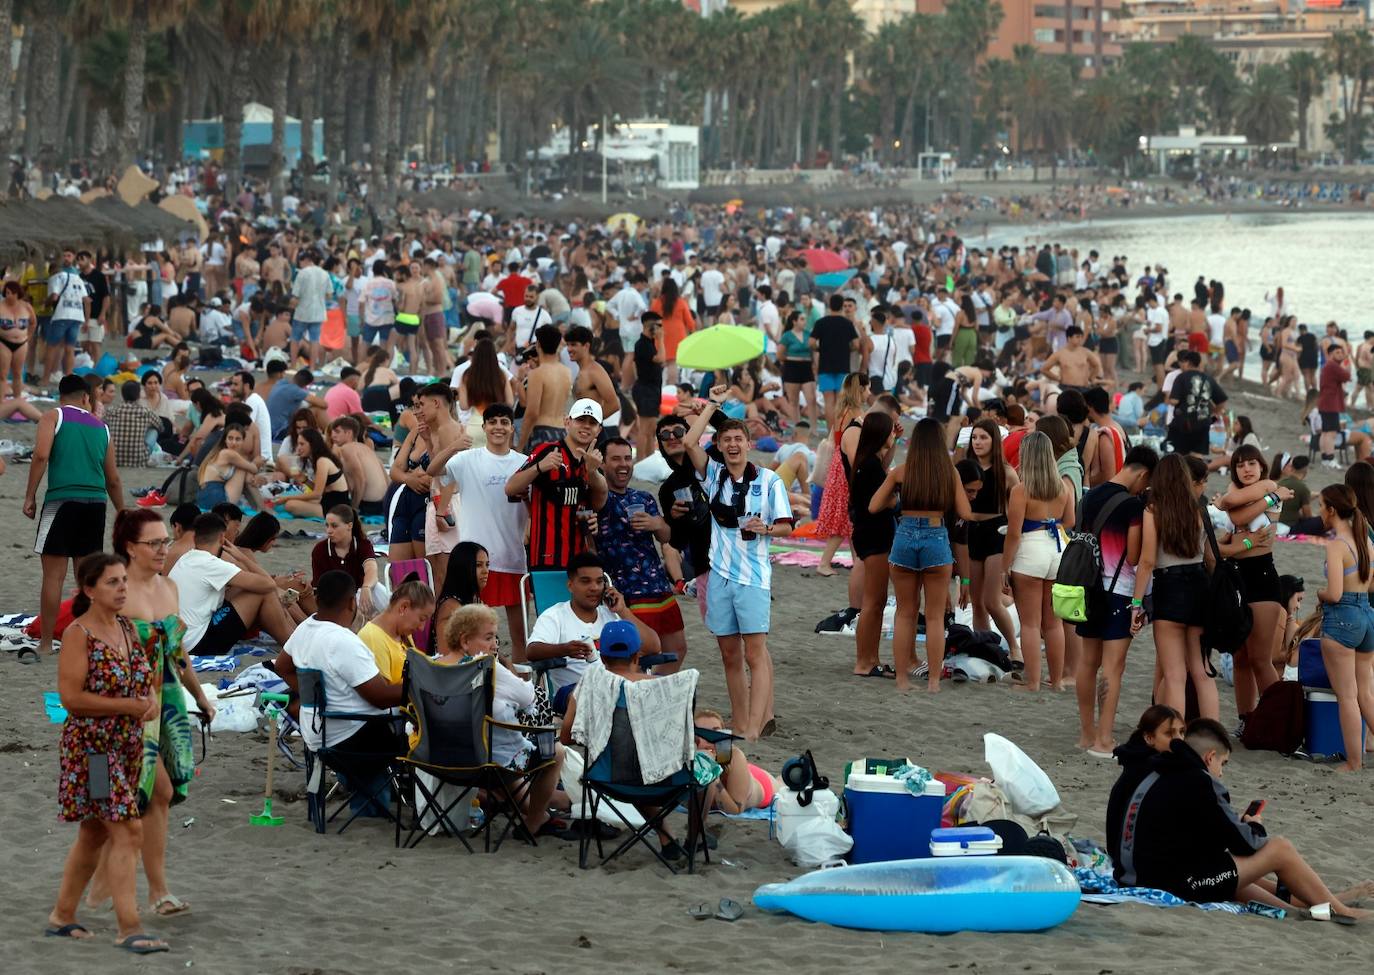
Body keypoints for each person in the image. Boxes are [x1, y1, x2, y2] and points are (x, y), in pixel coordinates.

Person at [81, 510, 215, 920]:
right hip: (125, 707)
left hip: (166, 699)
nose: (163, 550)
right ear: (128, 547)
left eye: (165, 542)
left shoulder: (169, 587)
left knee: (155, 794)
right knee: (133, 799)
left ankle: (151, 890)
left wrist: (200, 697)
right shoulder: (115, 592)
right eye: (153, 543)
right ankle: (109, 887)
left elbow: (176, 652)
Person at [1108, 718, 1370, 920]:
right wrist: (1254, 826)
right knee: (1279, 849)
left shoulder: (1152, 771)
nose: (1221, 773)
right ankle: (1341, 911)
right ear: (1210, 757)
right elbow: (1243, 845)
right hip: (1175, 884)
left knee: (1238, 873)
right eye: (1223, 763)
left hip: (1137, 875)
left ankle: (1309, 907)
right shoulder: (1200, 781)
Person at [47, 554, 167, 954]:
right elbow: (71, 698)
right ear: (89, 590)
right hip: (93, 753)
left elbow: (145, 676)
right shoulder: (79, 634)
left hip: (126, 746)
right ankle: (129, 927)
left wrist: (147, 698)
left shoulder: (128, 629)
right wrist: (128, 707)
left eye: (123, 581)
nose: (121, 588)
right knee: (127, 829)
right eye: (112, 582)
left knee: (96, 831)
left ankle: (62, 916)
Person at [682, 386, 794, 738]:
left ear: (749, 444)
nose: (732, 445)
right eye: (726, 439)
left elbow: (788, 527)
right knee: (730, 656)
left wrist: (767, 529)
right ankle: (742, 723)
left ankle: (755, 729)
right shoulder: (714, 475)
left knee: (755, 655)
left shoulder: (769, 480)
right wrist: (712, 405)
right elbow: (688, 443)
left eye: (738, 439)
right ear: (719, 445)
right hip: (719, 578)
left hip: (754, 578)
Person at [272, 570, 405, 817]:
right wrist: (416, 686)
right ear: (351, 603)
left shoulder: (305, 629)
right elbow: (380, 697)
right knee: (415, 735)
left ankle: (367, 792)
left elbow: (281, 667)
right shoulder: (344, 641)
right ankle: (388, 804)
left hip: (317, 731)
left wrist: (321, 696)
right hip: (350, 736)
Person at [24, 374, 126, 659]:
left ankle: (46, 643)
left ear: (61, 396)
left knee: (53, 578)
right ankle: (87, 642)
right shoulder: (101, 427)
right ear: (86, 398)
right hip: (95, 504)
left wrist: (30, 496)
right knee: (88, 580)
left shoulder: (52, 416)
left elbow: (41, 455)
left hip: (61, 501)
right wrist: (122, 511)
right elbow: (113, 478)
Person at [868, 417, 973, 692]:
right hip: (936, 537)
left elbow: (874, 506)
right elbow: (965, 513)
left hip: (904, 535)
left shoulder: (901, 471)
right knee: (936, 616)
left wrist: (898, 500)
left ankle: (902, 679)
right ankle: (934, 682)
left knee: (905, 613)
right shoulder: (949, 473)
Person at [1075, 446, 1157, 757]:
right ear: (1144, 474)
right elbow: (1135, 556)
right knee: (1112, 667)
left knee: (1087, 662)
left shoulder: (1089, 495)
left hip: (1086, 588)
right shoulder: (1132, 506)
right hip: (1118, 591)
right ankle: (1104, 739)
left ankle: (1086, 734)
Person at [1130, 455, 1219, 721]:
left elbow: (1146, 561)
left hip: (1169, 587)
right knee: (1201, 671)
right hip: (1200, 586)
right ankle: (1213, 733)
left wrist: (1136, 605)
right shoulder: (1199, 510)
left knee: (1175, 674)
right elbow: (1211, 559)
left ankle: (1176, 738)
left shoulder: (1153, 511)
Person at [593, 437, 687, 671]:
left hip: (658, 585)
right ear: (602, 464)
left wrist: (657, 523)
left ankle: (654, 694)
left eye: (627, 458)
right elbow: (594, 487)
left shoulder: (644, 498)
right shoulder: (599, 497)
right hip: (627, 591)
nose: (623, 464)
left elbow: (666, 537)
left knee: (677, 650)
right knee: (637, 654)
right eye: (615, 459)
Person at [1213, 444, 1291, 719]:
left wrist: (1226, 504)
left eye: (1251, 463)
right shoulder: (1240, 493)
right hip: (1234, 578)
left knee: (1260, 658)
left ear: (1261, 467)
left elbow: (1236, 515)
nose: (1246, 469)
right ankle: (1247, 720)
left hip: (1261, 577)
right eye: (1240, 464)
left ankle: (1277, 719)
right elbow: (1224, 535)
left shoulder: (1271, 486)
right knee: (1240, 658)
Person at [526, 553, 660, 709]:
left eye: (599, 581)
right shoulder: (555, 616)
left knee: (667, 688)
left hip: (618, 684)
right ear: (570, 585)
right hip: (576, 690)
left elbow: (654, 647)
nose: (594, 588)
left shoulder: (612, 614)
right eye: (585, 581)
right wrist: (564, 649)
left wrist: (623, 611)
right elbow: (532, 650)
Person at [1002, 431, 1074, 691]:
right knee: (1054, 623)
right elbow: (1071, 522)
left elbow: (1013, 533)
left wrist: (1004, 567)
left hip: (1031, 550)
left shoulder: (1022, 490)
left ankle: (1032, 681)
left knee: (1030, 623)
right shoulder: (1063, 487)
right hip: (1057, 550)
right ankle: (1057, 681)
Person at [168, 513, 295, 655]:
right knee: (262, 592)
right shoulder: (211, 564)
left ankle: (292, 637)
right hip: (199, 643)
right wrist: (241, 556)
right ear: (222, 538)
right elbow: (268, 584)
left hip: (181, 640)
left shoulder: (187, 558)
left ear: (195, 537)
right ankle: (292, 643)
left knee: (243, 588)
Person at [505, 398, 609, 571]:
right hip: (546, 556)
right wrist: (538, 467)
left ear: (599, 430)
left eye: (592, 423)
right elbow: (510, 488)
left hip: (581, 558)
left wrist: (592, 472)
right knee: (551, 599)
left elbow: (598, 503)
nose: (586, 426)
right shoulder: (547, 450)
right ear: (567, 422)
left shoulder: (595, 461)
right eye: (580, 420)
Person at [1314, 484, 1374, 772]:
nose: (1319, 511)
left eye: (1321, 505)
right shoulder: (1366, 542)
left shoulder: (1337, 545)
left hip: (1343, 616)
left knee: (1347, 696)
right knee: (1366, 693)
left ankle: (1353, 762)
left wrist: (1320, 594)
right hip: (1367, 614)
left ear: (1332, 510)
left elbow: (1335, 593)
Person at [847, 411, 900, 678]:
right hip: (875, 535)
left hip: (869, 534)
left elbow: (882, 470)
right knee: (873, 602)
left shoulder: (867, 461)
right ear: (881, 434)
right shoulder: (869, 466)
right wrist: (894, 501)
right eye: (891, 431)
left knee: (875, 602)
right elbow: (878, 502)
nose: (893, 434)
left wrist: (896, 442)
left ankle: (871, 659)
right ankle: (864, 662)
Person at [965, 417, 1020, 659]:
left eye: (983, 437)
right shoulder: (966, 468)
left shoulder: (1006, 472)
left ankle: (1014, 648)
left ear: (994, 441)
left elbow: (1019, 507)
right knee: (976, 600)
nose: (978, 442)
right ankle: (983, 647)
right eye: (975, 437)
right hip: (971, 532)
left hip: (996, 532)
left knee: (992, 600)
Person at [814, 373, 867, 580]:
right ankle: (824, 562)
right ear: (861, 389)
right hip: (846, 466)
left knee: (848, 518)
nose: (869, 392)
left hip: (837, 462)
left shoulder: (841, 410)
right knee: (844, 516)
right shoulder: (856, 412)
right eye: (867, 388)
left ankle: (858, 562)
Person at [695, 708, 776, 814]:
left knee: (785, 785)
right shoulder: (687, 758)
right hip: (741, 772)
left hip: (762, 784)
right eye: (703, 735)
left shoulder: (733, 756)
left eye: (716, 733)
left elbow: (735, 811)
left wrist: (713, 777)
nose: (711, 740)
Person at [358, 580, 436, 684]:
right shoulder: (373, 638)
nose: (422, 628)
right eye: (422, 619)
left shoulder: (403, 633)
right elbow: (383, 695)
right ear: (403, 607)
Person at [311, 504, 382, 618]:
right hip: (334, 600)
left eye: (334, 526)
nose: (329, 531)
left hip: (360, 595)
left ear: (349, 526)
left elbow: (371, 568)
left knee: (377, 588)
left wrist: (366, 587)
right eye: (327, 525)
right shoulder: (320, 550)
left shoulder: (362, 544)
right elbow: (318, 589)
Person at [269, 428, 349, 520]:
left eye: (302, 444)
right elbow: (320, 490)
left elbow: (317, 494)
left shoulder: (322, 461)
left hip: (336, 508)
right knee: (295, 500)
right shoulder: (319, 459)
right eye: (298, 444)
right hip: (329, 501)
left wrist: (286, 498)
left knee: (290, 504)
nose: (298, 448)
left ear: (312, 444)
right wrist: (304, 479)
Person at [810, 294, 860, 428]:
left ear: (829, 305)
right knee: (840, 402)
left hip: (825, 366)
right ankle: (838, 432)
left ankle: (829, 433)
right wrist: (848, 349)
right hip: (843, 366)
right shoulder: (847, 323)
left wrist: (819, 349)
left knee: (828, 402)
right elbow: (856, 344)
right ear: (841, 306)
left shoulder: (821, 322)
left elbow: (811, 342)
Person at [431, 541, 490, 655]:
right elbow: (446, 654)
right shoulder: (450, 608)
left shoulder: (473, 601)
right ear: (462, 568)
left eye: (487, 565)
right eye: (478, 565)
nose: (485, 571)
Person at [329, 416, 388, 517]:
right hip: (383, 503)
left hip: (369, 505)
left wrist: (354, 507)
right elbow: (387, 478)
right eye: (332, 432)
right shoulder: (365, 448)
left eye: (337, 432)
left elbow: (361, 480)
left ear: (349, 433)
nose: (333, 436)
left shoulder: (346, 449)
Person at [195, 423, 260, 509]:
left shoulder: (220, 453)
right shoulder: (229, 454)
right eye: (230, 438)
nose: (234, 442)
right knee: (242, 469)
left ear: (243, 441)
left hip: (203, 498)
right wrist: (257, 461)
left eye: (238, 439)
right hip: (216, 498)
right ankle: (261, 507)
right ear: (225, 440)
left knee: (244, 467)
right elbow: (254, 469)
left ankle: (257, 506)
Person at [105, 380, 162, 468]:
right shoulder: (146, 412)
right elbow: (160, 427)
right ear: (138, 395)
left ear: (123, 395)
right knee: (154, 430)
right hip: (138, 460)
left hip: (113, 459)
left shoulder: (111, 411)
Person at [1317, 342, 1351, 469]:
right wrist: (1346, 362)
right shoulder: (1333, 366)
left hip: (1324, 402)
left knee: (1325, 432)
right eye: (1337, 352)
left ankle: (1325, 459)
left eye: (1341, 352)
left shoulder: (1328, 365)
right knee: (1331, 433)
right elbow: (1347, 376)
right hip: (1330, 404)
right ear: (1330, 354)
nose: (1340, 355)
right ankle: (1330, 459)